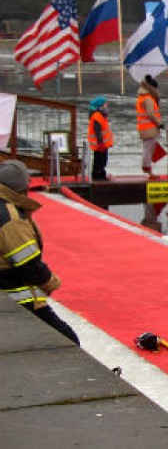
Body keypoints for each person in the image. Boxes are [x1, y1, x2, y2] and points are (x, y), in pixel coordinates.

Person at [0, 160, 79, 345]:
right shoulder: (12, 219)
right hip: (16, 299)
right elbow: (30, 265)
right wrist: (51, 283)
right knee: (68, 341)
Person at [136, 74, 164, 178]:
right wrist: (159, 123)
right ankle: (148, 171)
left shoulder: (141, 98)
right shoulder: (148, 99)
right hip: (149, 128)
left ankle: (148, 169)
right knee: (148, 150)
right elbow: (151, 114)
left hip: (144, 128)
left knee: (148, 149)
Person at [87, 96, 114, 181]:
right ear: (100, 106)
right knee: (100, 161)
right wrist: (101, 143)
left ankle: (100, 175)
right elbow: (97, 130)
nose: (106, 105)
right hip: (100, 144)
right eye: (105, 104)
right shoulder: (97, 116)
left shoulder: (101, 115)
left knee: (102, 160)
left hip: (102, 144)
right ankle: (98, 176)